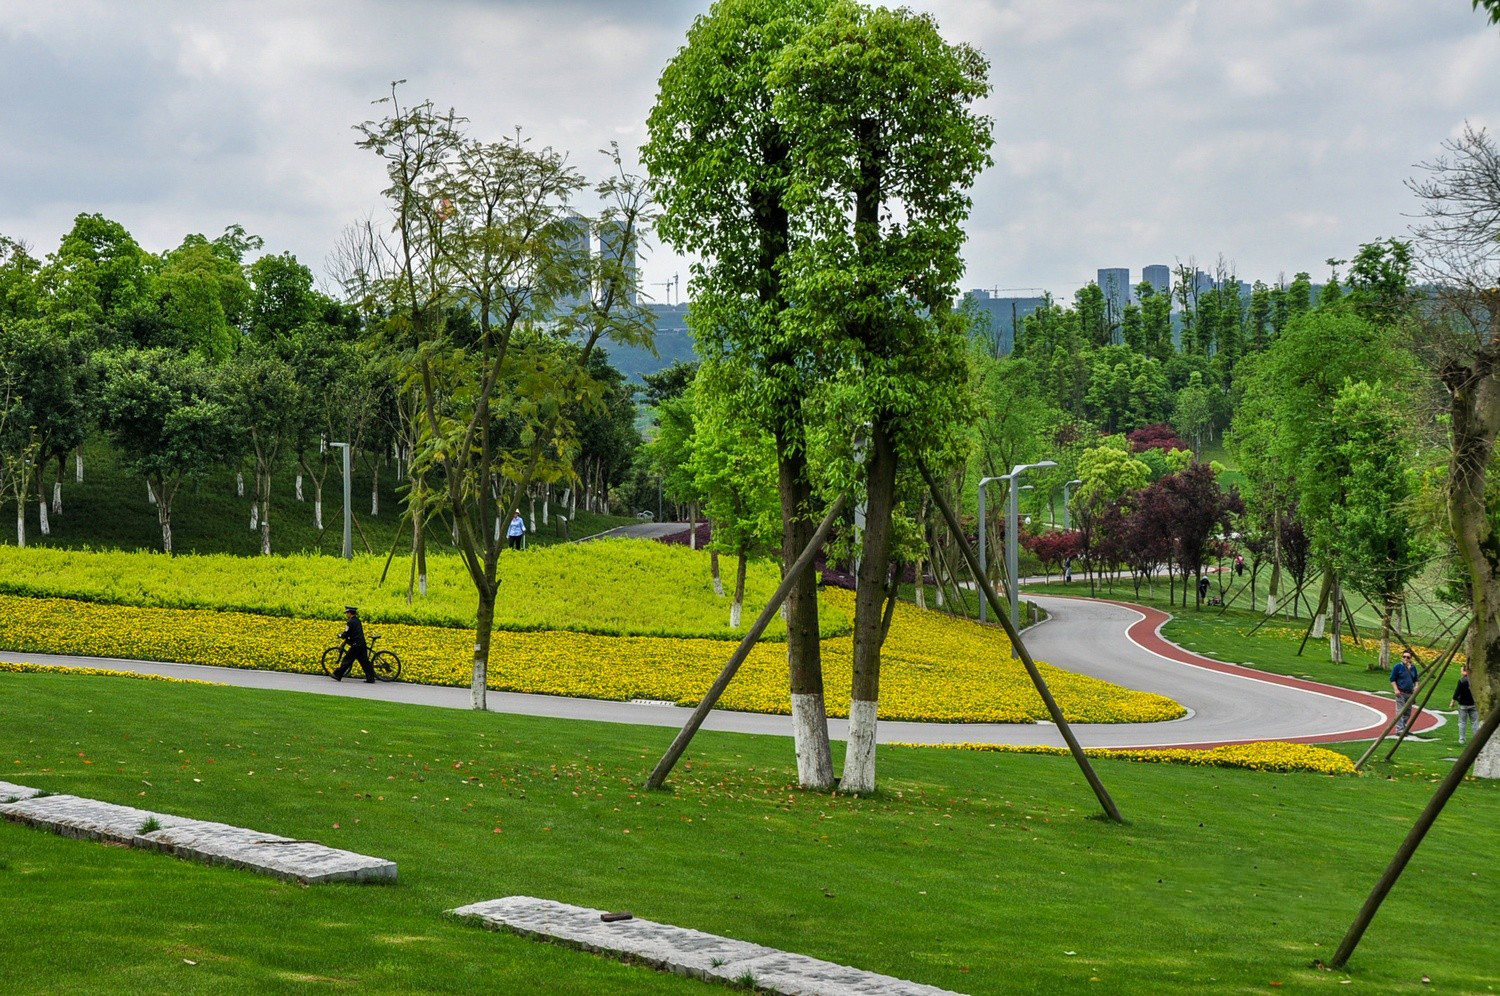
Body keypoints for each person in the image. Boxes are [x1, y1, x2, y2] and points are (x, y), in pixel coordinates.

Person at [333, 605, 374, 683]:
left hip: (356, 645)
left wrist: (341, 636)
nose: (346, 615)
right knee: (364, 661)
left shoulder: (350, 622)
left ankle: (337, 675)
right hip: (362, 644)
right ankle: (370, 678)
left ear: (350, 613)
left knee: (347, 660)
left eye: (347, 613)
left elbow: (347, 633)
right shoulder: (358, 621)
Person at [1390, 649, 1420, 736]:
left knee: (1408, 712)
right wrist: (1396, 689)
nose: (1405, 658)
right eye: (1404, 656)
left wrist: (1416, 686)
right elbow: (1392, 679)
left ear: (1411, 658)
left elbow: (1416, 679)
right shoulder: (1398, 667)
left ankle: (1404, 728)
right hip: (1401, 692)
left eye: (1408, 657)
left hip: (1410, 693)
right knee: (1400, 711)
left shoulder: (1413, 668)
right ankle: (1399, 729)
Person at [1451, 662, 1478, 746]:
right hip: (1473, 704)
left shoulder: (1462, 681)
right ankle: (1476, 739)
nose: (1461, 672)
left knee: (1462, 722)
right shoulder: (1475, 680)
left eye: (1462, 671)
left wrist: (1453, 701)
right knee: (1474, 722)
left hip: (1463, 704)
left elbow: (1457, 692)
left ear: (1465, 671)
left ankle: (1462, 739)